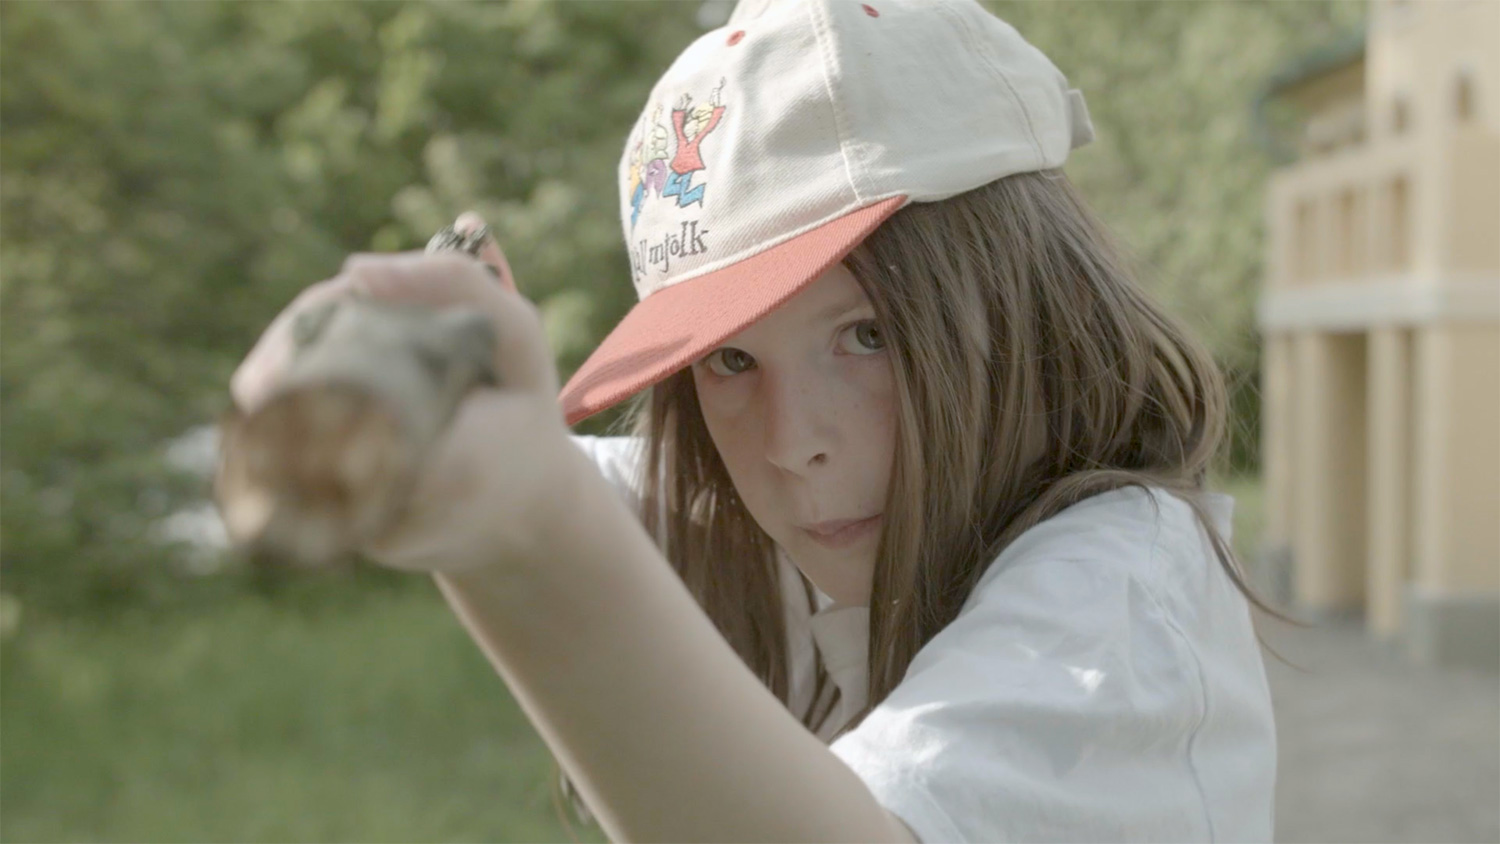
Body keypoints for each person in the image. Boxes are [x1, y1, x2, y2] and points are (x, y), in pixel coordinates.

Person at [230, 0, 1278, 840]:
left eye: (868, 335)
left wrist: (528, 530)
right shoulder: (777, 522)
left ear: (1034, 305)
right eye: (730, 360)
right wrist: (417, 404)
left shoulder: (1123, 589)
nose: (791, 444)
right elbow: (561, 474)